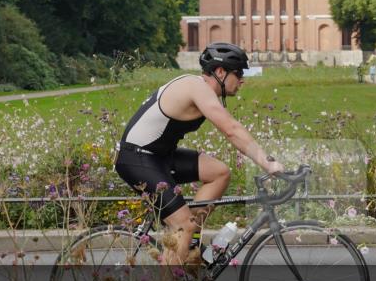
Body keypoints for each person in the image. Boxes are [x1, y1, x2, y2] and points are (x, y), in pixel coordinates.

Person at [114, 42, 285, 266]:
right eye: (238, 73)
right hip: (136, 158)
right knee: (182, 225)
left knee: (219, 173)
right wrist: (267, 163)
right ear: (220, 72)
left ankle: (190, 244)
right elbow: (231, 129)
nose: (242, 79)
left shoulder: (203, 90)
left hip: (160, 156)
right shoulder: (195, 87)